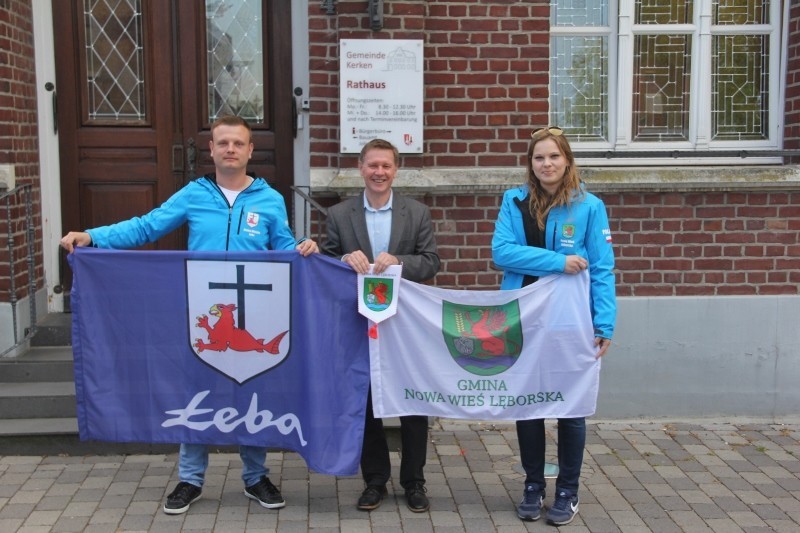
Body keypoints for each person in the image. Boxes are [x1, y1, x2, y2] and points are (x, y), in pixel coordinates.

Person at [60, 115, 318, 515]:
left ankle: (256, 477)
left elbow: (283, 245)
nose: (230, 149)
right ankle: (190, 479)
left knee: (252, 391)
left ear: (250, 150)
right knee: (198, 392)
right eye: (223, 143)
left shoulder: (269, 199)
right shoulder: (194, 194)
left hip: (254, 315)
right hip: (204, 314)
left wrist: (303, 246)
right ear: (211, 150)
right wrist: (93, 236)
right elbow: (147, 227)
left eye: (238, 143)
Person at [491, 126, 616, 526]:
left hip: (569, 322)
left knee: (570, 406)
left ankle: (567, 491)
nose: (546, 164)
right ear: (530, 163)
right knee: (527, 404)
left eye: (554, 156)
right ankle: (532, 485)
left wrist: (605, 322)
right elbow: (501, 253)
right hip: (522, 317)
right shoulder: (514, 201)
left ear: (567, 160)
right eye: (539, 157)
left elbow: (602, 268)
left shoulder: (589, 206)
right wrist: (559, 263)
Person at [321, 138, 440, 512]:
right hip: (359, 322)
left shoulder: (416, 212)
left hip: (405, 323)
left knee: (413, 400)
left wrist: (400, 261)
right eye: (372, 165)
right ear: (361, 168)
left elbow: (431, 262)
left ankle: (414, 481)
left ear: (396, 169)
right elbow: (325, 263)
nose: (379, 172)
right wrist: (344, 258)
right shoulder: (339, 214)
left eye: (386, 166)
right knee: (367, 400)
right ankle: (375, 480)